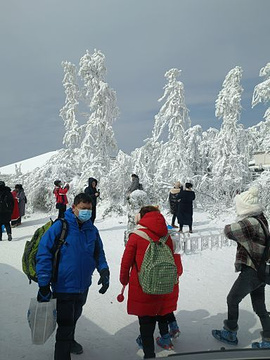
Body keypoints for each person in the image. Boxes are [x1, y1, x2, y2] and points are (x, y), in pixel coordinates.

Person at [36, 193, 110, 360]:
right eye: (83, 209)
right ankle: (62, 353)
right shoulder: (60, 226)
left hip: (83, 285)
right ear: (74, 208)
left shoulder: (92, 229)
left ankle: (70, 341)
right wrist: (43, 283)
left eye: (89, 209)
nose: (87, 212)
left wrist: (104, 271)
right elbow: (44, 253)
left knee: (74, 317)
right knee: (65, 324)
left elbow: (99, 253)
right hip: (63, 285)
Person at [120, 206, 182, 359]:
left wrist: (124, 280)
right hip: (163, 284)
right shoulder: (167, 237)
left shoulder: (136, 236)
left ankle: (149, 354)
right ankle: (164, 337)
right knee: (159, 314)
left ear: (142, 217)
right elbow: (173, 260)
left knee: (146, 324)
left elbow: (126, 262)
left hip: (142, 286)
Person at [212, 186, 270, 348]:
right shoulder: (261, 219)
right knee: (259, 306)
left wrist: (240, 219)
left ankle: (230, 333)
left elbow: (229, 231)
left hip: (251, 271)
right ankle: (268, 339)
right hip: (260, 270)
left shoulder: (250, 222)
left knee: (232, 299)